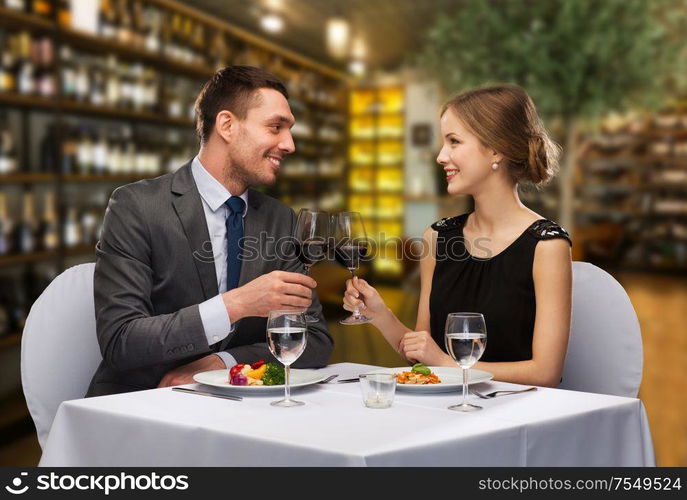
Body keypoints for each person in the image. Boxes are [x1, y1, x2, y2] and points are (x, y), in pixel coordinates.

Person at [86, 66, 333, 397]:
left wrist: (224, 362)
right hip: (144, 405)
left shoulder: (282, 220)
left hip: (241, 410)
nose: (289, 144)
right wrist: (236, 305)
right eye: (276, 127)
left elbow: (314, 340)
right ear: (227, 125)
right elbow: (121, 340)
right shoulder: (136, 207)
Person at [344, 85, 572, 387]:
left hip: (516, 418)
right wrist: (381, 315)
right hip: (446, 411)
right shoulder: (438, 238)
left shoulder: (547, 245)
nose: (441, 156)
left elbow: (545, 373)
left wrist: (447, 364)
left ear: (496, 149)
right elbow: (423, 356)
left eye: (454, 142)